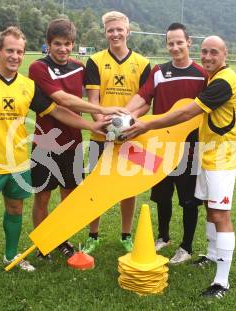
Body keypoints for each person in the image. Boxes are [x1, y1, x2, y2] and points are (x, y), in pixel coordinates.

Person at [0, 26, 108, 298]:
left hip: (19, 165)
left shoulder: (27, 85)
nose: (14, 56)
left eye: (19, 51)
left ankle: (10, 256)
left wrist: (90, 126)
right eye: (9, 50)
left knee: (15, 210)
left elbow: (58, 111)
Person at [124, 35, 236, 298]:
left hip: (222, 159)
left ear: (226, 53)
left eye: (214, 52)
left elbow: (187, 112)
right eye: (205, 52)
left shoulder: (224, 81)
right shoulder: (212, 77)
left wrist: (147, 124)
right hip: (207, 155)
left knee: (221, 215)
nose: (208, 57)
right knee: (210, 210)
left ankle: (221, 282)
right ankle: (212, 256)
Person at [28, 19, 127, 259]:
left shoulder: (80, 68)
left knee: (69, 196)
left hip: (72, 144)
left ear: (74, 44)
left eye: (67, 44)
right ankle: (43, 243)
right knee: (42, 196)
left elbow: (94, 94)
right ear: (48, 44)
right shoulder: (38, 68)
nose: (63, 49)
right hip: (45, 144)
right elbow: (63, 100)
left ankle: (61, 240)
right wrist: (104, 112)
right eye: (57, 44)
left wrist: (110, 114)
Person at [125, 23, 208, 264]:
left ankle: (187, 246)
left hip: (189, 147)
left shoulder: (202, 74)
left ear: (189, 42)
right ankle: (163, 237)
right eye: (170, 43)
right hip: (159, 146)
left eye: (179, 42)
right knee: (162, 195)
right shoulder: (159, 71)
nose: (175, 47)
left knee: (189, 200)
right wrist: (126, 112)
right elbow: (143, 96)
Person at [82, 11, 151, 254]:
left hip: (131, 136)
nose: (115, 34)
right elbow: (93, 101)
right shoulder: (95, 61)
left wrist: (129, 124)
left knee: (128, 188)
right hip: (101, 137)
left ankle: (125, 235)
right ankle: (93, 235)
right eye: (110, 30)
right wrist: (107, 127)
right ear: (105, 33)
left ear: (128, 31)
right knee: (95, 187)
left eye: (119, 29)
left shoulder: (143, 63)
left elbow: (145, 103)